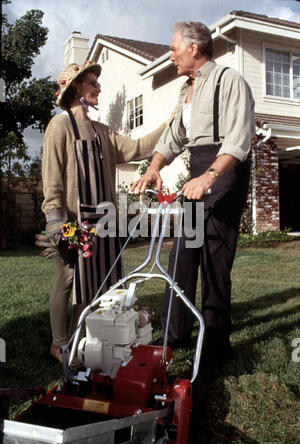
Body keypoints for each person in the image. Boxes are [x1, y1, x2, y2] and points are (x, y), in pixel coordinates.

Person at [132, 21, 255, 370]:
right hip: (198, 165)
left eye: (174, 48)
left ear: (194, 48)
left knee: (215, 261)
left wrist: (210, 176)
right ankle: (174, 337)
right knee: (182, 256)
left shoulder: (229, 81)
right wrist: (154, 166)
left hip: (225, 168)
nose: (170, 55)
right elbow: (172, 137)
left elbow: (239, 139)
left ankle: (216, 348)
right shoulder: (185, 89)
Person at [41, 60, 166, 363]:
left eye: (97, 82)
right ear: (76, 88)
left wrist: (172, 123)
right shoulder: (60, 125)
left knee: (102, 282)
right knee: (69, 279)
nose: (99, 87)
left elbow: (137, 148)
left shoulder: (102, 131)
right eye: (93, 83)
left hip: (105, 221)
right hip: (74, 224)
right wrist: (56, 223)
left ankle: (90, 334)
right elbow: (52, 178)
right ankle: (59, 343)